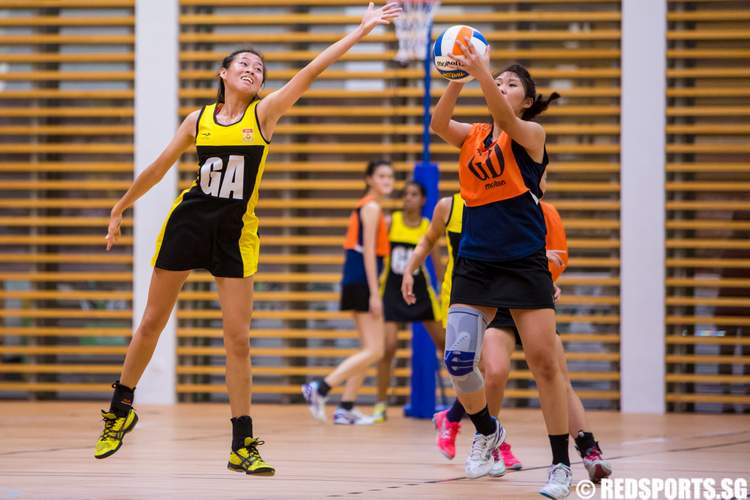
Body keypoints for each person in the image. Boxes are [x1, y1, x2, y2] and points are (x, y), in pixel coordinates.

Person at [94, 2, 402, 475]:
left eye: (259, 67)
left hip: (237, 234)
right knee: (151, 321)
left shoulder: (266, 115)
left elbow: (313, 70)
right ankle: (120, 410)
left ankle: (242, 443)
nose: (253, 70)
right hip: (190, 223)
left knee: (238, 340)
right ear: (223, 73)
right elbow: (158, 168)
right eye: (244, 63)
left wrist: (360, 32)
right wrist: (120, 206)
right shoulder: (198, 121)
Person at [427, 39, 572, 497]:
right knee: (457, 360)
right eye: (500, 81)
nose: (502, 87)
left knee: (545, 364)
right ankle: (488, 430)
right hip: (477, 259)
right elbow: (435, 124)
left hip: (523, 261)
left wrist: (483, 71)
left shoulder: (530, 135)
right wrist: (457, 79)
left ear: (527, 101)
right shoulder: (471, 135)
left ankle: (561, 465)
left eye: (512, 84)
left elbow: (505, 118)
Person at [302, 160, 394, 425]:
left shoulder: (369, 208)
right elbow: (367, 255)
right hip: (363, 282)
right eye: (382, 176)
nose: (387, 181)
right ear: (369, 179)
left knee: (369, 348)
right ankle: (320, 387)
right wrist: (375, 294)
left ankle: (345, 407)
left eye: (390, 176)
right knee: (375, 351)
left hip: (357, 281)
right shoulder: (372, 207)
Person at [372, 180, 445, 423]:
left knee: (446, 345)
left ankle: (464, 403)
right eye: (406, 194)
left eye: (414, 194)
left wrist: (445, 290)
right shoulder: (391, 222)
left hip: (420, 289)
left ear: (423, 199)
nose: (408, 198)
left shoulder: (427, 226)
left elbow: (436, 262)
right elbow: (377, 257)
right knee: (388, 347)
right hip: (392, 289)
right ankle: (380, 404)